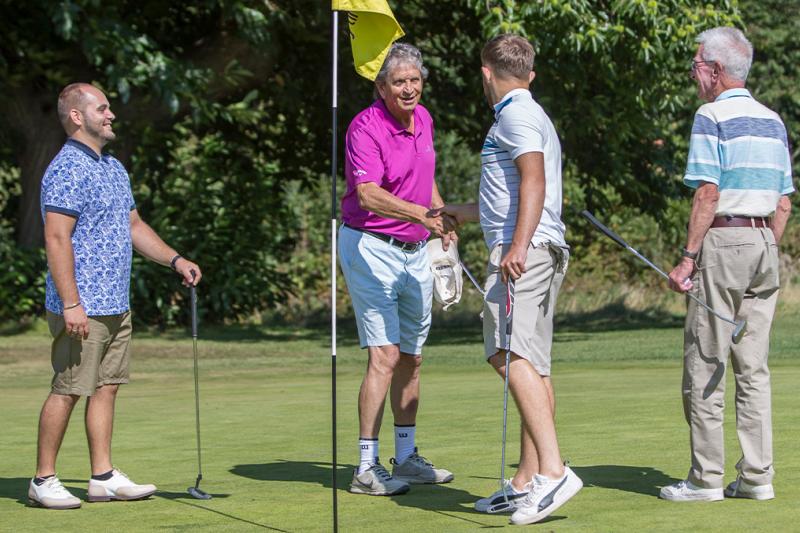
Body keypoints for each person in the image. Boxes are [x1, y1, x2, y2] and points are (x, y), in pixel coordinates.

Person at [29, 83, 203, 509]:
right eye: (102, 109)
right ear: (76, 116)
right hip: (81, 305)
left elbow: (134, 226)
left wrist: (175, 259)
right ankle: (42, 479)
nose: (111, 116)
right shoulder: (67, 168)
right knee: (68, 388)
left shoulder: (112, 168)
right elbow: (56, 237)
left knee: (106, 387)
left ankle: (102, 476)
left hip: (114, 303)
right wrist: (71, 302)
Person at [441, 34, 582, 525]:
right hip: (538, 245)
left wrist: (517, 246)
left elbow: (533, 179)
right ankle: (526, 480)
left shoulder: (516, 115)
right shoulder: (528, 113)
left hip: (526, 251)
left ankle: (555, 471)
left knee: (507, 352)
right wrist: (458, 212)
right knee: (532, 363)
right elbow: (507, 194)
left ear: (486, 71)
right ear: (530, 73)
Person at [661, 27, 792, 502]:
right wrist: (766, 247)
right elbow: (782, 202)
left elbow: (708, 192)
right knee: (752, 367)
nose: (694, 73)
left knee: (706, 360)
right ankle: (757, 477)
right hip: (763, 243)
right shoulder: (774, 120)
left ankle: (706, 479)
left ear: (715, 70)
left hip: (724, 239)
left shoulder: (710, 115)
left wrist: (688, 258)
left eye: (697, 65)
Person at [339, 42, 456, 496]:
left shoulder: (423, 119)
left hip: (414, 250)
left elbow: (426, 178)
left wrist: (442, 216)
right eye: (399, 82)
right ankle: (366, 468)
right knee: (384, 357)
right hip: (370, 246)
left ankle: (405, 458)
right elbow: (367, 194)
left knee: (412, 355)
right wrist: (422, 216)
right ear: (381, 86)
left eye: (415, 80)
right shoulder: (364, 127)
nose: (409, 89)